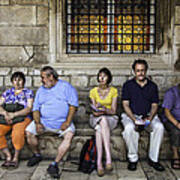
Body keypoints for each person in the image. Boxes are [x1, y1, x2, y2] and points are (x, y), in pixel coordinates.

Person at [26, 66, 78, 178]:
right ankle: (36, 154)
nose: (42, 80)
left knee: (69, 135)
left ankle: (55, 164)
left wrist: (68, 122)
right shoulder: (41, 90)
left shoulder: (66, 87)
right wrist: (37, 123)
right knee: (28, 132)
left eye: (43, 77)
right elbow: (35, 109)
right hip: (44, 122)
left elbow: (73, 106)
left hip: (62, 123)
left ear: (51, 77)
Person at [121, 59, 165, 171]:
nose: (140, 73)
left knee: (159, 127)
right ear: (133, 72)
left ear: (146, 71)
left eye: (143, 70)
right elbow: (125, 105)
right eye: (138, 71)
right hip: (131, 115)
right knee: (129, 128)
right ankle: (133, 159)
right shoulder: (128, 85)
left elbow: (155, 105)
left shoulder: (152, 86)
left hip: (148, 115)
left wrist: (149, 119)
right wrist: (134, 119)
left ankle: (153, 159)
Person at [0, 72, 34, 169]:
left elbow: (29, 108)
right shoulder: (7, 92)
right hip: (7, 116)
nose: (17, 82)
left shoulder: (28, 92)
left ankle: (15, 157)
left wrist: (14, 114)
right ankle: (8, 156)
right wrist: (6, 114)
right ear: (12, 82)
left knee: (17, 133)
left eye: (20, 80)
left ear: (24, 81)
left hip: (21, 116)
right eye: (15, 80)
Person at [89, 67, 119, 177]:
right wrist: (98, 111)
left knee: (99, 129)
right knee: (102, 120)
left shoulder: (113, 91)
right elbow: (94, 112)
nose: (101, 78)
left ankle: (99, 164)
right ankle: (108, 159)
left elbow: (113, 111)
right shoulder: (93, 92)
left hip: (111, 119)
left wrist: (104, 110)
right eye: (100, 75)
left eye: (104, 76)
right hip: (96, 118)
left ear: (109, 78)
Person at [162, 84, 180, 169]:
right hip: (171, 119)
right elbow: (167, 112)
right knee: (176, 131)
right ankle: (175, 155)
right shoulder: (171, 93)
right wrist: (177, 124)